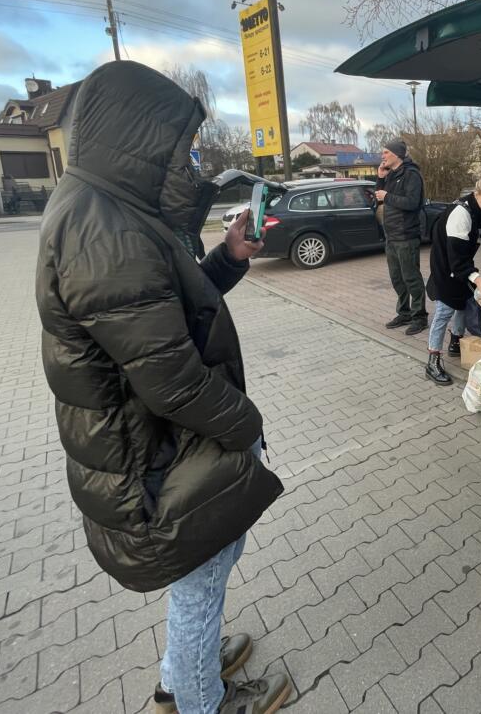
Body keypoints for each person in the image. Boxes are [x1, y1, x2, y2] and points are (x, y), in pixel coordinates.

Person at [35, 61, 291, 714]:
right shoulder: (104, 230)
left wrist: (228, 257)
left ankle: (186, 671)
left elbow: (171, 310)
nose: (190, 159)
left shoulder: (112, 210)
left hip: (160, 444)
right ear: (140, 137)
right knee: (202, 578)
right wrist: (247, 426)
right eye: (183, 146)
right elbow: (171, 380)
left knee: (204, 567)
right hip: (153, 456)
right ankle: (200, 698)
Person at [424, 174, 481, 385]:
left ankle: (456, 342)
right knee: (445, 309)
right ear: (476, 193)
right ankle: (432, 361)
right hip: (445, 265)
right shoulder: (460, 214)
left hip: (461, 264)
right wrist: (477, 279)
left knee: (464, 301)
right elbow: (456, 258)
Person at [376, 139, 427, 335]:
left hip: (406, 236)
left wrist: (387, 196)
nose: (383, 156)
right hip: (391, 236)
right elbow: (380, 200)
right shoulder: (391, 175)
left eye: (386, 152)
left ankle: (420, 317)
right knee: (397, 278)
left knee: (411, 277)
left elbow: (413, 203)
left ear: (397, 154)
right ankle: (404, 313)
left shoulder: (411, 174)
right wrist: (381, 178)